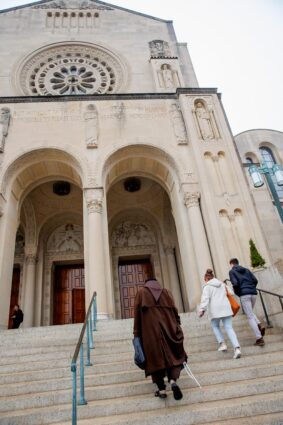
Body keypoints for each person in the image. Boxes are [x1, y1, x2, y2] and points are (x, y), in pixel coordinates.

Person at [133, 277, 187, 400]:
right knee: (172, 356)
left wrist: (136, 333)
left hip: (150, 333)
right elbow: (174, 310)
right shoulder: (166, 292)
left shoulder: (141, 293)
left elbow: (137, 315)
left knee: (154, 360)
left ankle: (162, 389)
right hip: (170, 330)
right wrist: (177, 325)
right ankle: (172, 381)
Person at [198, 269, 241, 359]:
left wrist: (202, 309)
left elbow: (205, 299)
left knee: (215, 326)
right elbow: (231, 293)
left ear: (206, 279)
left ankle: (222, 344)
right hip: (226, 308)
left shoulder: (207, 286)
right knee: (229, 328)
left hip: (215, 309)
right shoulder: (222, 284)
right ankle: (237, 348)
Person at [229, 258, 265, 346]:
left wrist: (239, 293)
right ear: (238, 263)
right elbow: (255, 280)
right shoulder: (246, 270)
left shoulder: (232, 271)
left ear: (231, 264)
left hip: (244, 294)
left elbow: (235, 284)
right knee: (250, 312)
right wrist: (251, 288)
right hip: (253, 293)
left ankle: (259, 338)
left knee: (249, 316)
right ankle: (259, 324)